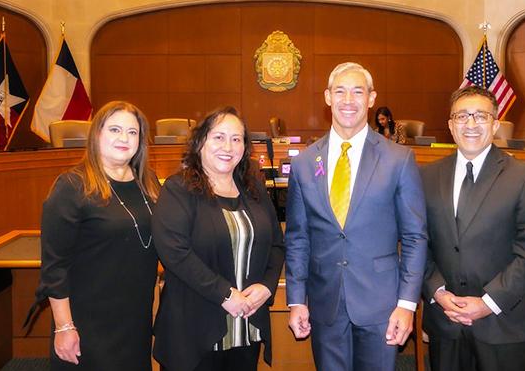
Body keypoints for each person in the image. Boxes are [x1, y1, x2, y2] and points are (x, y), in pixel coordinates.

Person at [285, 62, 428, 370]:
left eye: (357, 91)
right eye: (340, 91)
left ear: (371, 98)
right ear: (327, 97)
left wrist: (406, 304)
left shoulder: (399, 159)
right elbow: (298, 236)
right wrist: (296, 299)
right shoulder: (305, 163)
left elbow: (415, 238)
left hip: (382, 305)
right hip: (325, 303)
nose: (348, 100)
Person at [420, 86, 525, 371]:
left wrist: (488, 302)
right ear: (450, 126)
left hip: (502, 323)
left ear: (494, 124)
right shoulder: (426, 176)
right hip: (446, 321)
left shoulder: (524, 176)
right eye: (461, 116)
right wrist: (438, 293)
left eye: (480, 116)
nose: (470, 124)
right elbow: (418, 243)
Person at [152, 106, 285, 371]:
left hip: (246, 327)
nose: (228, 146)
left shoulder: (254, 188)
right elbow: (174, 252)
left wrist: (267, 286)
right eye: (218, 137)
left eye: (236, 139)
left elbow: (277, 245)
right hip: (194, 328)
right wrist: (224, 294)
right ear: (200, 142)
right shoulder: (179, 188)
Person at [36, 101, 161, 370]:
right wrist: (64, 326)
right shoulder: (72, 186)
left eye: (132, 132)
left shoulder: (148, 183)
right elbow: (54, 266)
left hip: (134, 319)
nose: (124, 138)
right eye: (115, 129)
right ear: (97, 135)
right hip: (87, 321)